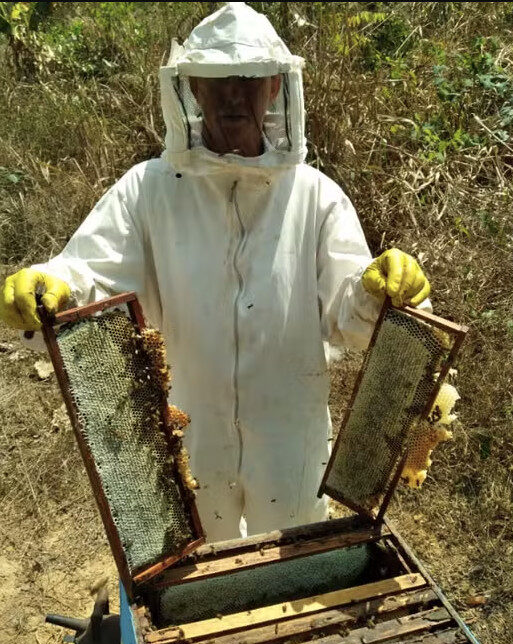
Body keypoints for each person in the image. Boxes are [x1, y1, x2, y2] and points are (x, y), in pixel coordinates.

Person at [0, 2, 431, 541]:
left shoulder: (316, 196)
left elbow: (352, 315)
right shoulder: (148, 189)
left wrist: (379, 291)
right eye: (216, 80)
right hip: (188, 426)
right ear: (192, 90)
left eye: (249, 80)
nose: (233, 95)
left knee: (288, 569)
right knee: (200, 570)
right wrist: (50, 288)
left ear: (276, 87)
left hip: (290, 430)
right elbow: (90, 276)